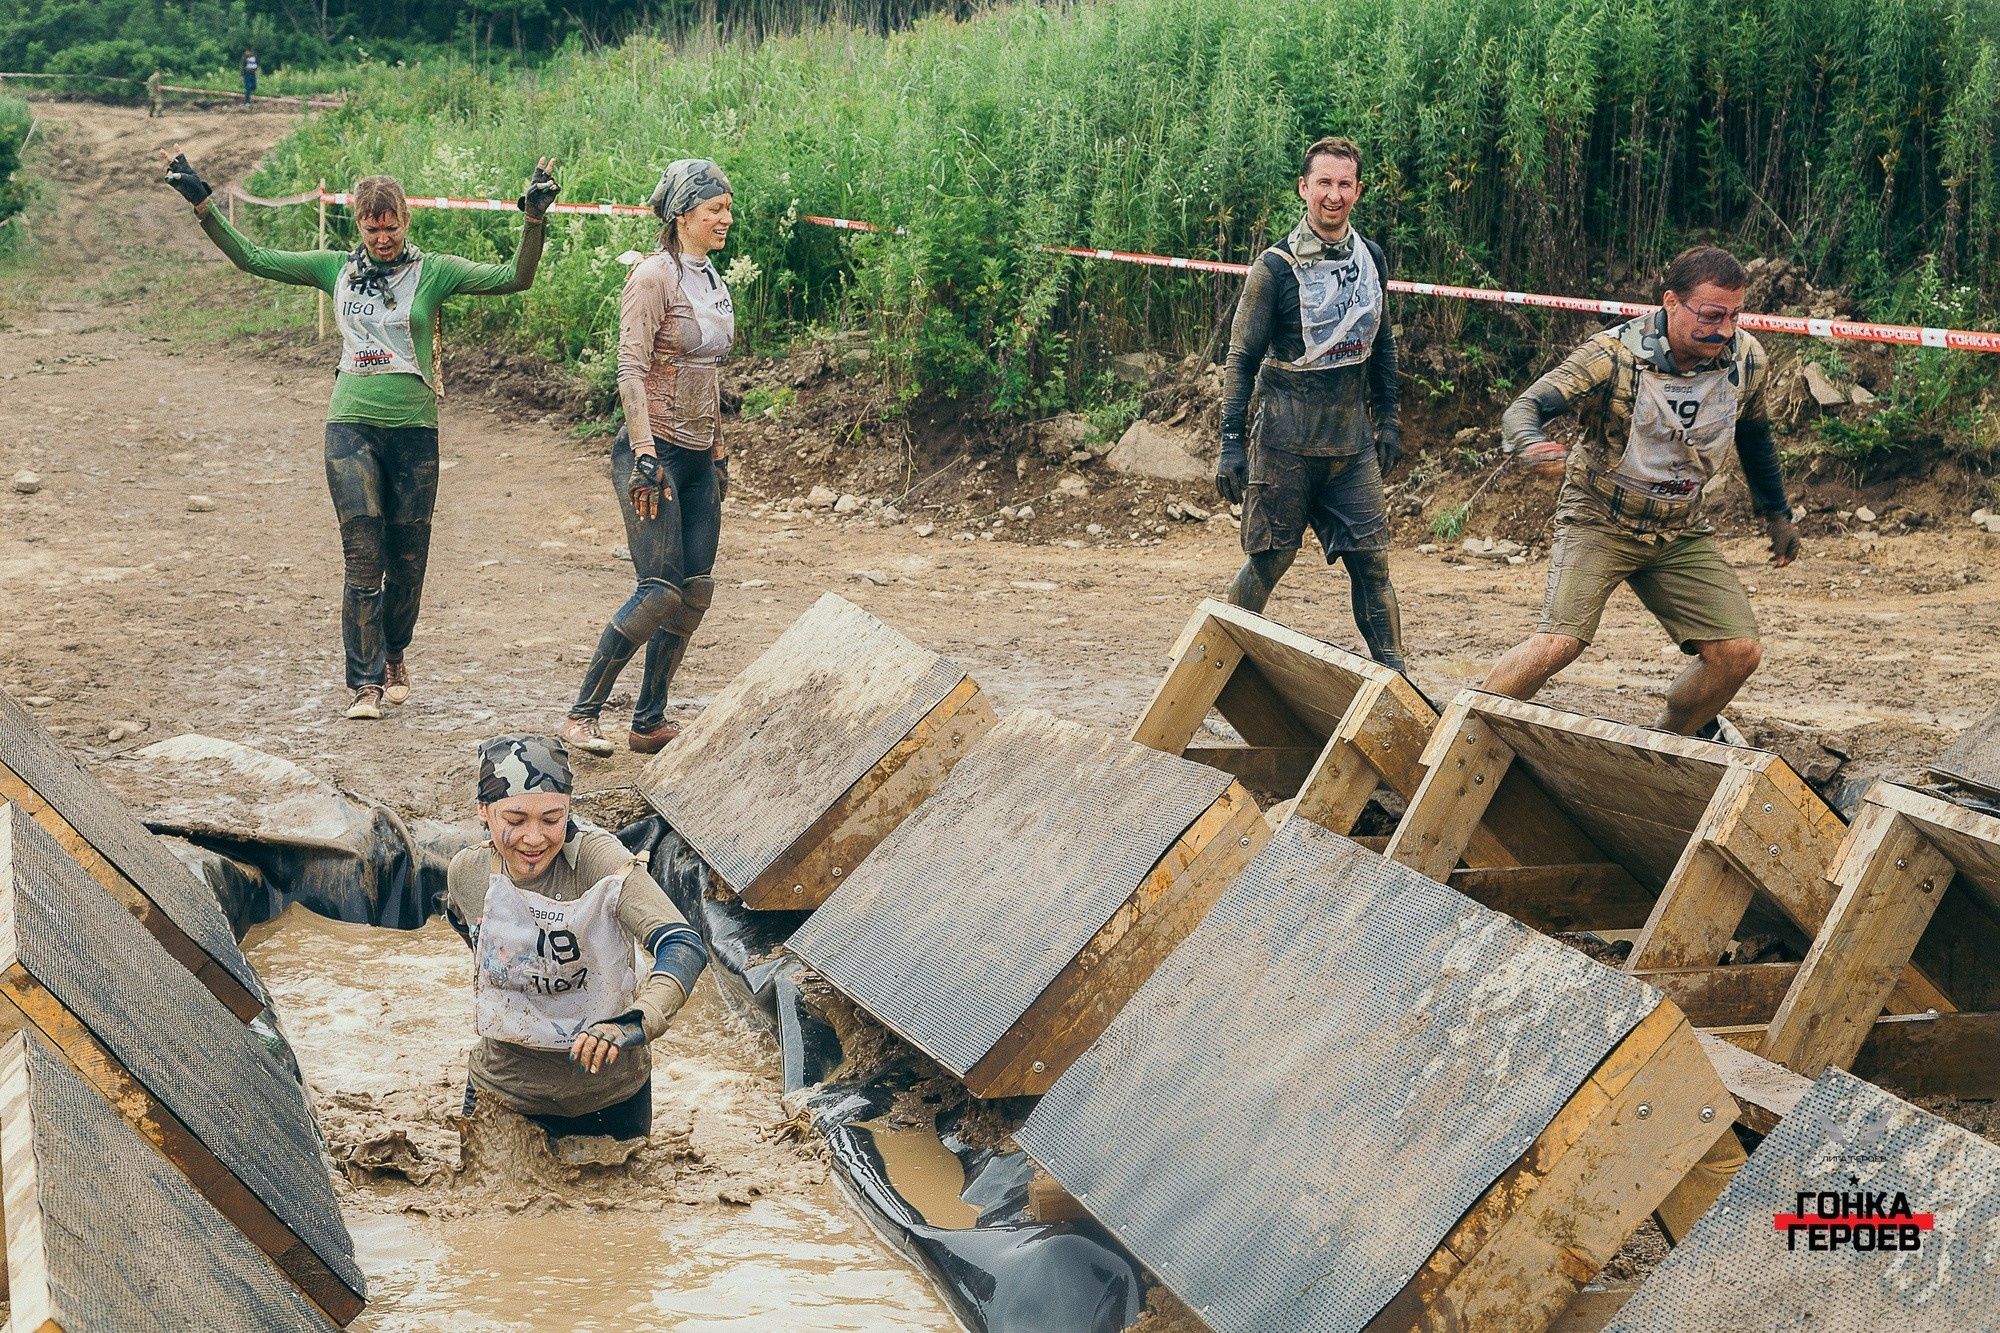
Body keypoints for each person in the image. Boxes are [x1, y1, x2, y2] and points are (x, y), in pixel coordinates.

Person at [160, 147, 560, 719]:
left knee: (410, 558)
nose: (382, 240)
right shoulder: (335, 270)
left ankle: (396, 651)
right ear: (359, 225)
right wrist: (201, 201)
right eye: (372, 230)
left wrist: (534, 220)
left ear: (406, 221)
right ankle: (365, 683)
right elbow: (251, 257)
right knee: (362, 556)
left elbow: (516, 279)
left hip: (414, 430)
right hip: (350, 425)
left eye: (391, 228)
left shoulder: (435, 271)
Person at [1483, 244, 1801, 737]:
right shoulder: (1613, 355)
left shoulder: (1746, 360)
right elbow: (1526, 407)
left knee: (1737, 653)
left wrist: (1777, 512)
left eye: (1735, 315)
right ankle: (1463, 729)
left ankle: (1672, 743)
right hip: (1600, 517)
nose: (1725, 330)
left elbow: (1755, 435)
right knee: (1558, 643)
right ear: (1671, 303)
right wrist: (1531, 444)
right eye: (1712, 315)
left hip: (1678, 529)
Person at [445, 736, 708, 1142]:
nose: (535, 839)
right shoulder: (468, 873)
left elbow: (682, 945)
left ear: (569, 809)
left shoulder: (600, 862)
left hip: (610, 1097)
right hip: (502, 1093)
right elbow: (477, 946)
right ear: (484, 810)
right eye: (514, 821)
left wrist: (634, 1021)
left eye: (553, 820)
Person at [560, 159, 735, 757]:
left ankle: (648, 721)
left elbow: (707, 370)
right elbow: (630, 371)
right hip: (652, 453)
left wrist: (717, 453)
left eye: (728, 208)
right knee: (658, 590)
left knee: (695, 591)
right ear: (684, 214)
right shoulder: (652, 278)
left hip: (696, 457)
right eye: (715, 209)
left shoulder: (711, 279)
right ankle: (581, 716)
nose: (726, 219)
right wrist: (642, 455)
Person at [1216, 136, 1405, 670]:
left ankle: (1397, 683)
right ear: (1304, 188)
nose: (1334, 195)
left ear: (1358, 192)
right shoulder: (1272, 270)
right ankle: (1217, 666)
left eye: (1345, 184)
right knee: (1269, 561)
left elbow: (1383, 343)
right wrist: (1231, 443)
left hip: (1350, 448)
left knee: (1373, 567)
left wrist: (1388, 419)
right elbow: (1240, 357)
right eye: (1324, 182)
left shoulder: (1372, 260)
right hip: (1283, 445)